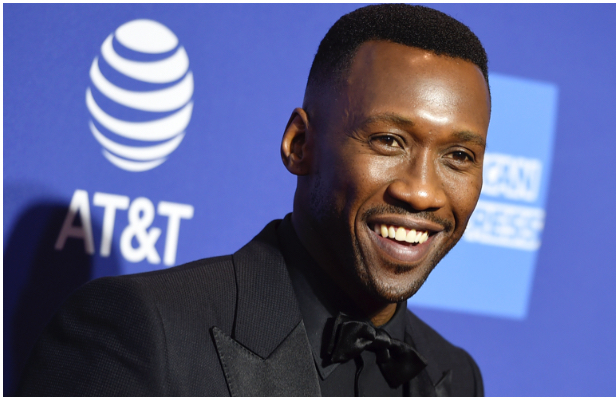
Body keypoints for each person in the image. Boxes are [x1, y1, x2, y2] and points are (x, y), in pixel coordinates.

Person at [18, 4, 491, 396]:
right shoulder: (140, 331)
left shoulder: (456, 377)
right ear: (299, 145)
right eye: (388, 141)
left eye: (459, 156)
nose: (422, 192)